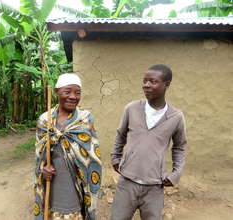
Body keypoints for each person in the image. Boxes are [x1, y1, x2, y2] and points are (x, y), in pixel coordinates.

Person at [110, 64, 187, 220]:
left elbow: (179, 147)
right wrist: (115, 158)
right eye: (145, 81)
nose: (146, 85)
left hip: (154, 187)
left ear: (167, 85)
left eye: (153, 81)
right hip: (127, 183)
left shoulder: (176, 117)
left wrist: (176, 174)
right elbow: (120, 135)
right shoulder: (131, 109)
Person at [33, 73, 102, 220]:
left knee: (75, 213)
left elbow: (91, 154)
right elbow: (39, 156)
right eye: (67, 92)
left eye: (77, 93)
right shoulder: (45, 120)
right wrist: (43, 170)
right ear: (57, 92)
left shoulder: (84, 118)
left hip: (76, 181)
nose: (73, 96)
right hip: (53, 181)